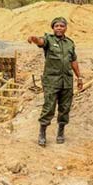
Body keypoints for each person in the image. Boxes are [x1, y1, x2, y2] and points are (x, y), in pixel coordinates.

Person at [27, 17, 83, 147]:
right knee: (49, 107)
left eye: (61, 26)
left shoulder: (70, 43)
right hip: (52, 80)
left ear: (65, 28)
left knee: (65, 108)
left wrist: (79, 77)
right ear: (53, 28)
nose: (59, 28)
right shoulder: (49, 40)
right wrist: (34, 38)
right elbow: (40, 42)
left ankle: (61, 132)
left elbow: (73, 60)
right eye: (56, 26)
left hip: (67, 81)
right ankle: (42, 133)